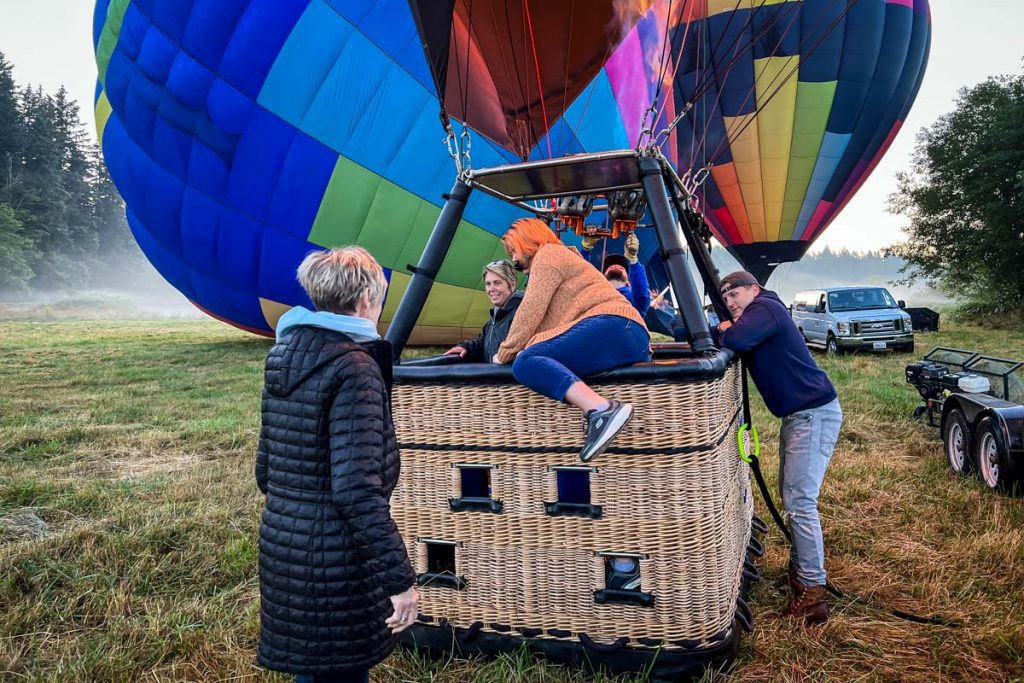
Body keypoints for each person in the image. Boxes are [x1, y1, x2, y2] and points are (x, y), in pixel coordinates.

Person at [255, 246, 419, 683]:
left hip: (283, 542)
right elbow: (356, 490)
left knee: (313, 664)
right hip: (336, 555)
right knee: (342, 670)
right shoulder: (355, 368)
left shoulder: (284, 356)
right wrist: (400, 582)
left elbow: (265, 471)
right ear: (365, 301)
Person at [714, 271, 842, 626]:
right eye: (724, 299)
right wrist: (724, 330)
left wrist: (725, 328)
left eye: (735, 294)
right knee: (793, 498)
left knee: (800, 502)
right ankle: (802, 571)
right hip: (799, 416)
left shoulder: (767, 308)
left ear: (754, 289)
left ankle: (813, 592)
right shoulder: (762, 311)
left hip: (812, 414)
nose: (731, 302)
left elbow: (736, 339)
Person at [495, 218, 652, 462]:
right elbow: (549, 329)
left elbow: (530, 311)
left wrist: (504, 353)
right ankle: (600, 410)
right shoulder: (565, 258)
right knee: (538, 357)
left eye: (513, 250)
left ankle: (602, 411)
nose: (514, 260)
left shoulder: (547, 255)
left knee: (526, 362)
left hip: (614, 325)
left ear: (526, 240)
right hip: (629, 336)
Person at [446, 260, 522, 361]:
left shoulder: (520, 313)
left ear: (512, 284)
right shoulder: (497, 314)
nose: (491, 289)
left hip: (506, 376)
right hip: (493, 374)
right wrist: (467, 347)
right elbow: (486, 342)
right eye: (488, 284)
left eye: (497, 283)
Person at [581, 232, 651, 315]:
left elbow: (642, 295)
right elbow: (580, 276)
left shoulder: (632, 300)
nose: (615, 265)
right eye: (610, 266)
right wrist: (586, 248)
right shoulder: (592, 294)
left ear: (628, 283)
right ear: (602, 278)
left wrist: (633, 260)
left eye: (622, 267)